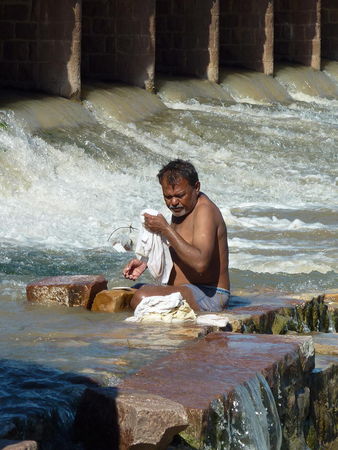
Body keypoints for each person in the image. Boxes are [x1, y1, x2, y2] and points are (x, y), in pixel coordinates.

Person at [123, 159, 230, 311]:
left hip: (210, 295)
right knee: (128, 293)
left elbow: (200, 264)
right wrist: (145, 261)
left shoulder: (204, 211)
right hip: (187, 289)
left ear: (196, 187)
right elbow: (178, 248)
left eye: (179, 195)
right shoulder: (184, 208)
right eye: (168, 196)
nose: (173, 202)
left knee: (142, 298)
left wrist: (165, 228)